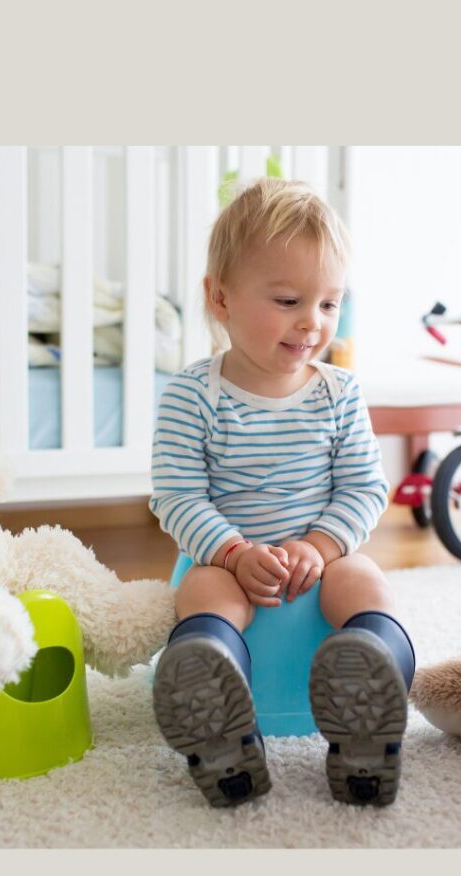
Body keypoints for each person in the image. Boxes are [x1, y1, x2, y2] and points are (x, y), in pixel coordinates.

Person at [149, 177, 415, 808]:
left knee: (367, 582)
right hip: (231, 561)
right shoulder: (194, 395)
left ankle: (368, 711)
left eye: (330, 304)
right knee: (203, 592)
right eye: (289, 299)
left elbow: (363, 486)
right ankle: (217, 708)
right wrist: (236, 552)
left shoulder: (338, 393)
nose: (312, 323)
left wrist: (321, 547)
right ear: (220, 298)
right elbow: (177, 496)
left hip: (320, 560)